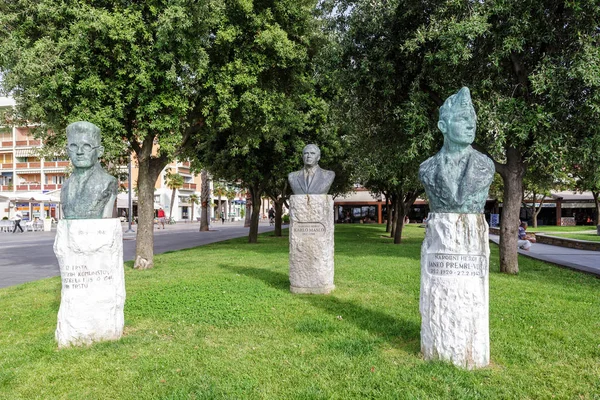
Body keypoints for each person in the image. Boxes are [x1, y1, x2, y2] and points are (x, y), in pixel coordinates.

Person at [419, 87, 495, 213]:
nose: (471, 125)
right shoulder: (427, 169)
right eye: (463, 119)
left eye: (473, 120)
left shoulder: (486, 166)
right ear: (443, 126)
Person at [60, 121, 118, 219]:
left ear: (100, 151)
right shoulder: (65, 186)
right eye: (73, 146)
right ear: (68, 151)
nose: (79, 152)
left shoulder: (107, 183)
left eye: (86, 147)